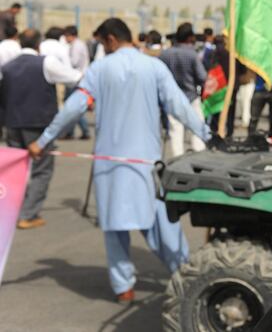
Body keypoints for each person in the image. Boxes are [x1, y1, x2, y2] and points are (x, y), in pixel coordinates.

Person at [27, 18, 212, 301]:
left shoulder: (100, 70)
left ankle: (123, 287)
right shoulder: (154, 67)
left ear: (111, 39)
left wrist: (43, 141)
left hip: (109, 166)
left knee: (115, 229)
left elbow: (74, 108)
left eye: (102, 43)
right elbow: (179, 105)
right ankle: (186, 274)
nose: (104, 48)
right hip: (148, 165)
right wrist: (207, 134)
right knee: (161, 224)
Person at [0, 29, 82, 228]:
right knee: (42, 170)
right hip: (38, 124)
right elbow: (74, 77)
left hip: (12, 123)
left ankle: (11, 209)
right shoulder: (46, 62)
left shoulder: (8, 66)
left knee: (17, 169)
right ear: (39, 44)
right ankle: (28, 214)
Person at [159, 22, 207, 156]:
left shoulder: (165, 54)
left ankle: (177, 161)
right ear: (189, 37)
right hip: (191, 97)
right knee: (197, 130)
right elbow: (202, 77)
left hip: (172, 99)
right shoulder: (192, 55)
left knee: (176, 131)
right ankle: (199, 158)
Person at [63, 25, 92, 140]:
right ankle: (75, 131)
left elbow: (73, 62)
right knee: (74, 105)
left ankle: (76, 131)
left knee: (72, 105)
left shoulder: (76, 46)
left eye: (66, 36)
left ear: (71, 35)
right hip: (79, 77)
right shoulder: (79, 44)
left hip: (76, 78)